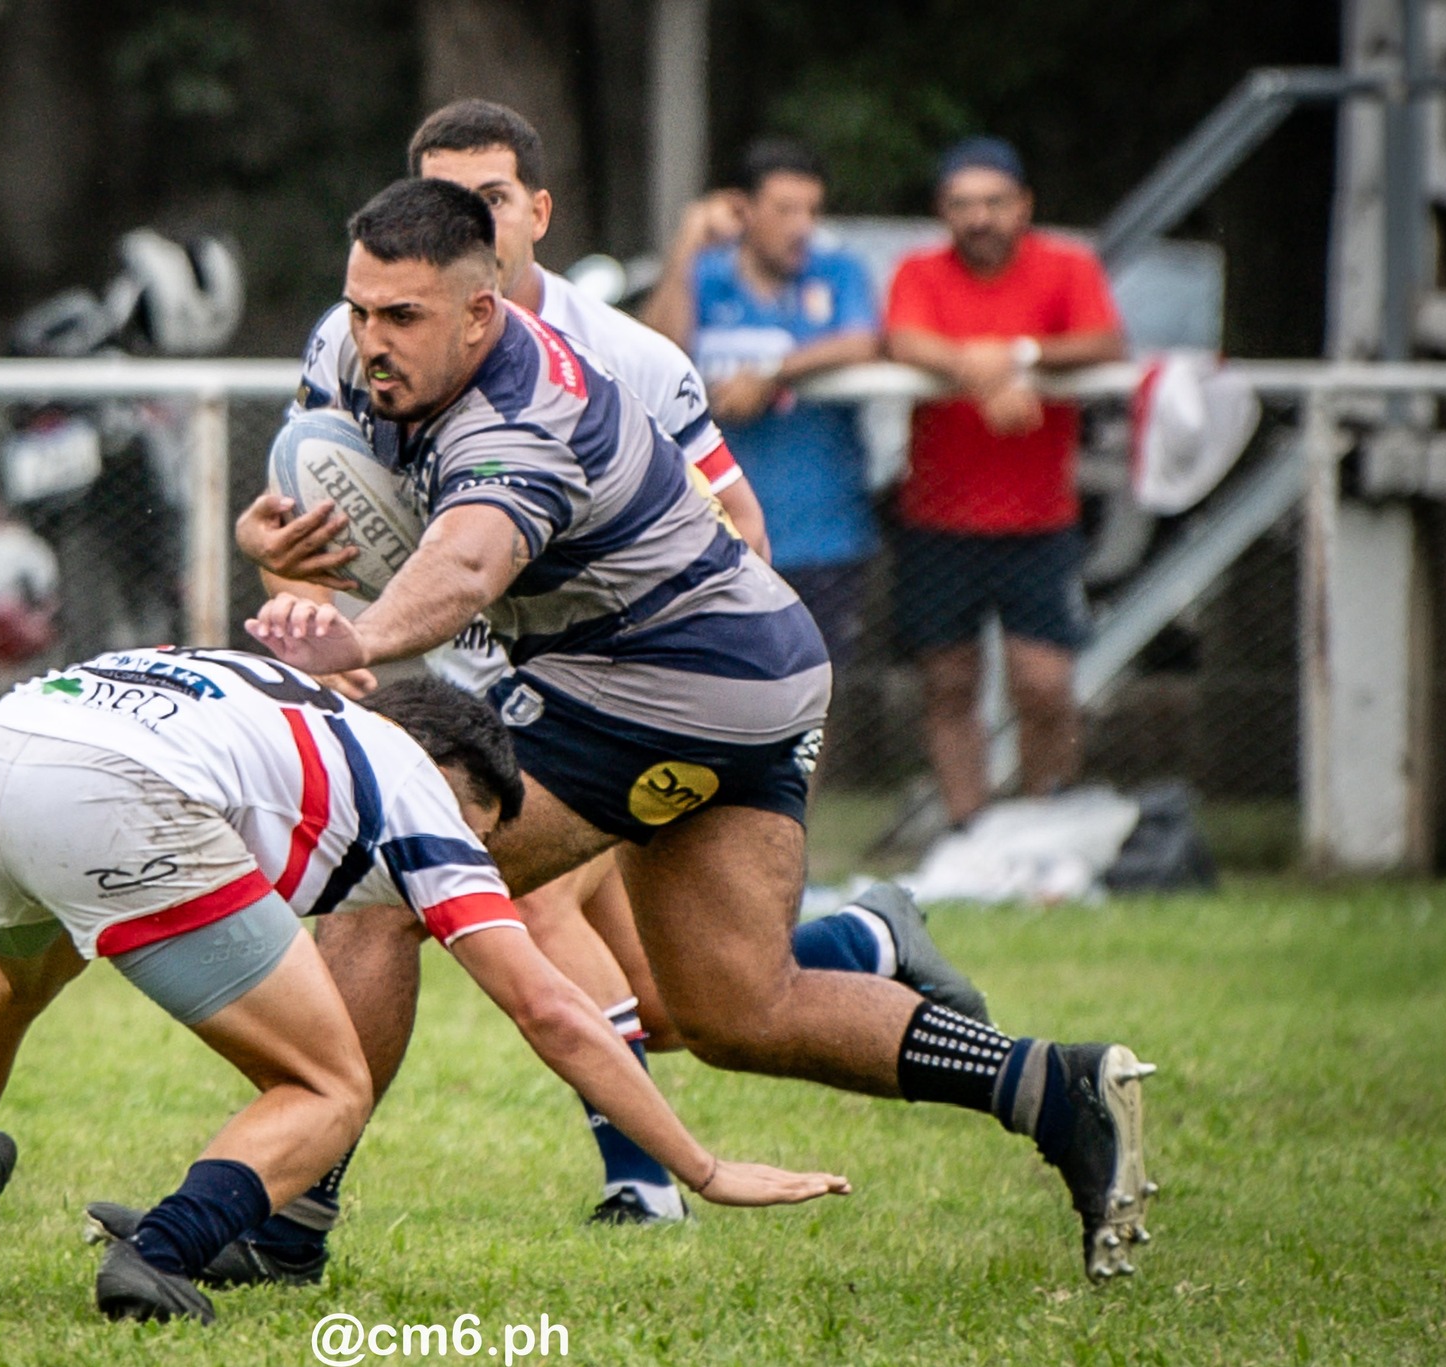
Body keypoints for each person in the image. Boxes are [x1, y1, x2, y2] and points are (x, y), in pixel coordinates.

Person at [239, 178, 1156, 1287]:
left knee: (382, 879)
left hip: (666, 681)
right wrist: (275, 535)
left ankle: (278, 1225)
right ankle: (1055, 1089)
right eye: (360, 310)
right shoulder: (361, 354)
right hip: (739, 668)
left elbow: (469, 561)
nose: (370, 342)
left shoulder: (525, 409)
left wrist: (362, 637)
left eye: (402, 318)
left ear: (481, 311)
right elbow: (314, 485)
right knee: (733, 1007)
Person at [0, 650, 848, 1324]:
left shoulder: (263, 688)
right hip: (110, 795)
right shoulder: (423, 794)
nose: (465, 866)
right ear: (461, 780)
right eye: (482, 838)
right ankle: (160, 1253)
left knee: (12, 977)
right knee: (329, 1082)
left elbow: (37, 770)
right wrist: (701, 1165)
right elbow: (550, 1009)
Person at [392, 101, 984, 1228]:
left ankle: (639, 1179)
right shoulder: (382, 336)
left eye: (491, 198)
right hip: (484, 691)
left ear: (537, 212)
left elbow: (739, 527)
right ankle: (868, 936)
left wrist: (652, 682)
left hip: (621, 695)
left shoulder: (612, 352)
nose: (465, 220)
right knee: (673, 1002)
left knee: (525, 907)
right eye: (442, 197)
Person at [882, 137, 1127, 826]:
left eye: (993, 202)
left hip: (1040, 517)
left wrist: (1018, 354)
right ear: (943, 211)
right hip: (938, 515)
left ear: (1023, 206)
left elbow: (1105, 341)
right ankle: (972, 830)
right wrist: (983, 373)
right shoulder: (920, 272)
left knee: (1045, 683)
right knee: (948, 682)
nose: (979, 217)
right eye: (962, 204)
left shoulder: (1067, 267)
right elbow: (903, 340)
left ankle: (1042, 820)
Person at [644, 138, 880, 669]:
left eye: (812, 212)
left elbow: (863, 341)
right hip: (713, 531)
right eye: (785, 210)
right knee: (716, 691)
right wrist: (687, 244)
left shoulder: (838, 272)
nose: (801, 226)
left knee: (816, 692)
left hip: (824, 534)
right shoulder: (705, 275)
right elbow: (658, 349)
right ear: (744, 209)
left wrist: (772, 376)